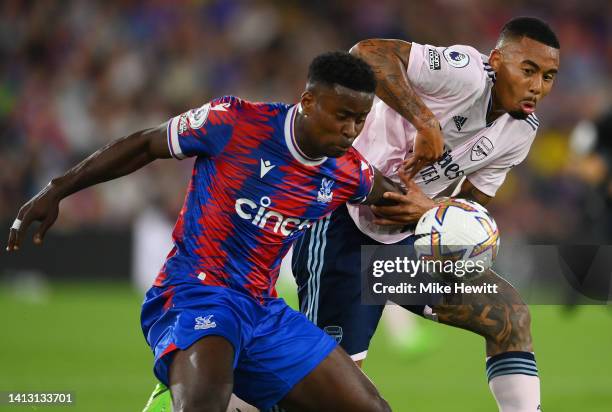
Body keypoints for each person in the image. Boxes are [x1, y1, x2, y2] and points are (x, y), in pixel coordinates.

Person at [6, 52, 399, 412]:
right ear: (309, 101)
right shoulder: (235, 121)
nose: (351, 130)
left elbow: (399, 199)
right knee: (204, 403)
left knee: (372, 409)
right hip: (198, 294)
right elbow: (145, 145)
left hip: (263, 311)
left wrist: (452, 205)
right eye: (342, 115)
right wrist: (57, 189)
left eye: (359, 120)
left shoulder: (348, 171)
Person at [293, 16, 560, 412]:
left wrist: (429, 210)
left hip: (403, 243)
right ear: (497, 61)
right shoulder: (465, 73)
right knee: (329, 395)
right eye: (528, 70)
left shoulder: (519, 132)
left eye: (549, 76)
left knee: (509, 316)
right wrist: (425, 120)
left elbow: (468, 208)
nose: (537, 86)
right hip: (340, 222)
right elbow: (366, 53)